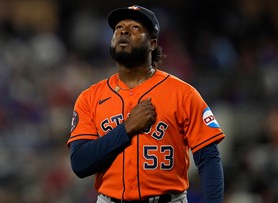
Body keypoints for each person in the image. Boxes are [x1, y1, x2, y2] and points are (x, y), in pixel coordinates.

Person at [67, 5, 225, 203]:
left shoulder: (183, 93)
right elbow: (80, 163)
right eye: (118, 28)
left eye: (135, 28)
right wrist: (126, 129)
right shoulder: (89, 97)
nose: (123, 30)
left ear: (152, 44)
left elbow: (208, 158)